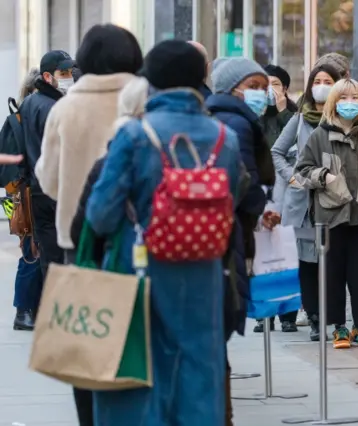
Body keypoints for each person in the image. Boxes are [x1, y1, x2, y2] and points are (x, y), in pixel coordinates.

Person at [86, 39, 241, 425]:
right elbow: (232, 203)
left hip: (139, 273)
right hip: (204, 276)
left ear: (149, 80)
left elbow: (100, 214)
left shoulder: (135, 136)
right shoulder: (225, 138)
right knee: (197, 372)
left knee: (139, 377)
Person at [34, 25, 143, 426]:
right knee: (142, 338)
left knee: (87, 345)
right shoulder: (147, 101)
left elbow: (47, 182)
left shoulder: (65, 108)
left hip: (79, 243)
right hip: (140, 242)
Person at [295, 78, 358, 350]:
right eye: (344, 98)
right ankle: (338, 326)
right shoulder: (319, 136)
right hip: (331, 217)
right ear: (333, 102)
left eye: (354, 98)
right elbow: (300, 173)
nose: (349, 103)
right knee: (333, 274)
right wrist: (323, 177)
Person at [271, 63, 341, 341]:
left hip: (334, 201)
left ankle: (335, 319)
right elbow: (277, 152)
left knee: (333, 264)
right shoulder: (299, 118)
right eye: (317, 80)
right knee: (308, 264)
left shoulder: (345, 116)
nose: (321, 85)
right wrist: (294, 177)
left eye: (327, 80)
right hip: (302, 204)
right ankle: (314, 319)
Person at [206, 57, 274, 336]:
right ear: (232, 89)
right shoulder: (238, 123)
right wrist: (261, 205)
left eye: (263, 87)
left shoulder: (218, 116)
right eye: (253, 85)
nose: (260, 93)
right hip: (232, 224)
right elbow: (244, 177)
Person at [253, 63, 300, 332]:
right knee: (263, 249)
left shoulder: (293, 114)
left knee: (286, 249)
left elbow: (292, 145)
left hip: (287, 188)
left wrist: (283, 112)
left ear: (285, 88)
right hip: (261, 187)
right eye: (264, 85)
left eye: (275, 84)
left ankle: (288, 315)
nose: (269, 90)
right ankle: (264, 313)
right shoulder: (255, 114)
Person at [20, 50, 73, 280]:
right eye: (63, 72)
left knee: (48, 260)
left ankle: (46, 309)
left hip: (36, 191)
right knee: (63, 261)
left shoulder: (28, 104)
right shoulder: (55, 108)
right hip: (57, 191)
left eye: (70, 71)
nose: (69, 76)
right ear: (48, 77)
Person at [3, 68, 43, 332]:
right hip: (22, 194)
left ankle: (33, 309)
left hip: (19, 193)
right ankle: (23, 311)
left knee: (35, 250)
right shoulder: (19, 118)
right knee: (30, 251)